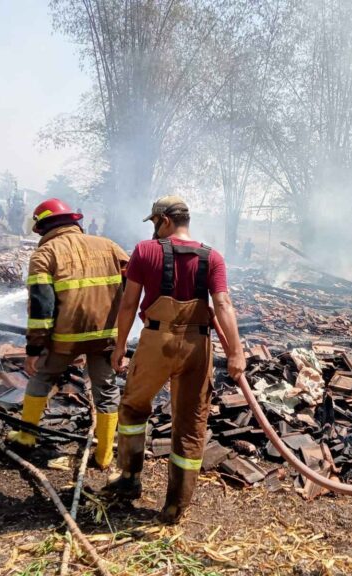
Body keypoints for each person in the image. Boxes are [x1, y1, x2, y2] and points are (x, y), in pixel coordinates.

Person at [104, 195, 246, 523]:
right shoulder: (213, 258)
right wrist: (236, 354)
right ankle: (175, 505)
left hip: (156, 340)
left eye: (154, 223)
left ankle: (129, 480)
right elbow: (223, 306)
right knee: (191, 424)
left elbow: (128, 305)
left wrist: (119, 346)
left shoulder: (144, 251)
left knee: (133, 407)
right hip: (198, 345)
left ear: (165, 220)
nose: (153, 230)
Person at [7, 198, 129, 470]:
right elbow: (134, 282)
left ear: (43, 227)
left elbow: (42, 307)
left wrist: (34, 350)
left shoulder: (44, 255)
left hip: (63, 340)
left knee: (41, 378)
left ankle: (26, 437)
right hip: (104, 337)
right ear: (74, 221)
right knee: (106, 390)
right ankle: (104, 455)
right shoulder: (109, 246)